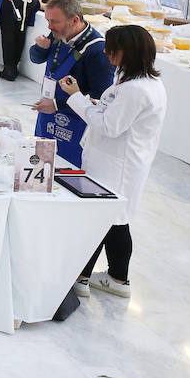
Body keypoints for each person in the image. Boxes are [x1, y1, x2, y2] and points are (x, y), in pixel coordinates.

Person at [68, 24, 167, 299]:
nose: (107, 53)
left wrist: (77, 98)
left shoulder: (136, 89)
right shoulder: (142, 83)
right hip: (118, 161)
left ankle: (82, 276)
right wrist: (96, 103)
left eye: (112, 48)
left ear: (128, 52)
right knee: (114, 220)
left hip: (116, 164)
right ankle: (116, 278)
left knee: (102, 218)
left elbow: (110, 126)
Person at [29, 0, 112, 168]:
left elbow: (100, 98)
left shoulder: (98, 51)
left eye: (55, 22)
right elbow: (36, 58)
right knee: (42, 162)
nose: (50, 27)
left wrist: (58, 105)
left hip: (75, 123)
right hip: (48, 114)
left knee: (66, 169)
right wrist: (39, 48)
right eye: (48, 21)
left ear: (74, 20)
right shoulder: (57, 34)